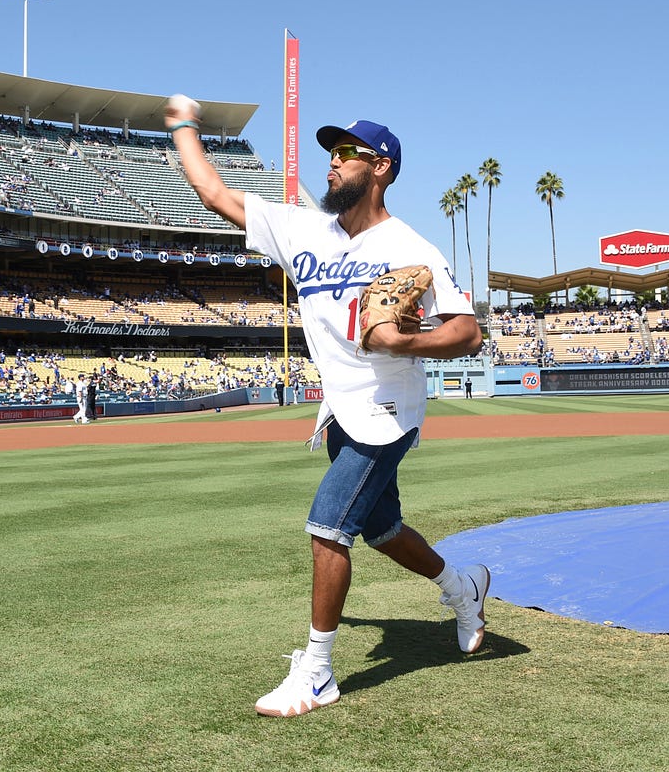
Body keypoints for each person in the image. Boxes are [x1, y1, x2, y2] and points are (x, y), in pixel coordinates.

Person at [167, 99, 487, 718]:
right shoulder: (304, 229)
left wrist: (405, 340)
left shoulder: (409, 246)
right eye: (330, 154)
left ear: (382, 168)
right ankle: (461, 584)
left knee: (327, 525)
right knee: (380, 528)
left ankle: (316, 671)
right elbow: (213, 193)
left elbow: (468, 333)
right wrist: (184, 126)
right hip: (341, 407)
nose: (332, 164)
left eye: (346, 154)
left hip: (388, 405)